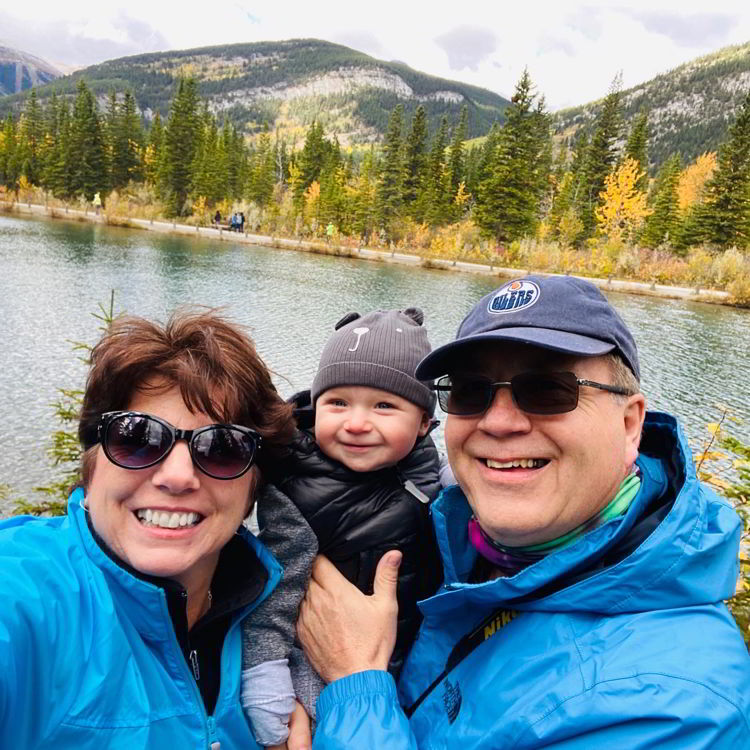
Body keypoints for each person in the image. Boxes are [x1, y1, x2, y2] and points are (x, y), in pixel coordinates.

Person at [299, 275, 750, 748]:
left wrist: (356, 682)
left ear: (629, 423)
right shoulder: (461, 543)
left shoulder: (673, 708)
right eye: (471, 392)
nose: (498, 421)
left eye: (549, 390)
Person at [0, 310, 313, 750]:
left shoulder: (287, 615)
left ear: (255, 487)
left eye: (222, 448)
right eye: (137, 438)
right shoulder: (22, 594)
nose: (177, 476)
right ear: (92, 467)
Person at [241, 308, 443, 747]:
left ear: (425, 423)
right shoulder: (297, 490)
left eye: (384, 406)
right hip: (310, 665)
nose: (355, 423)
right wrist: (265, 679)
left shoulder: (436, 480)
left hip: (406, 664)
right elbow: (271, 592)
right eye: (337, 403)